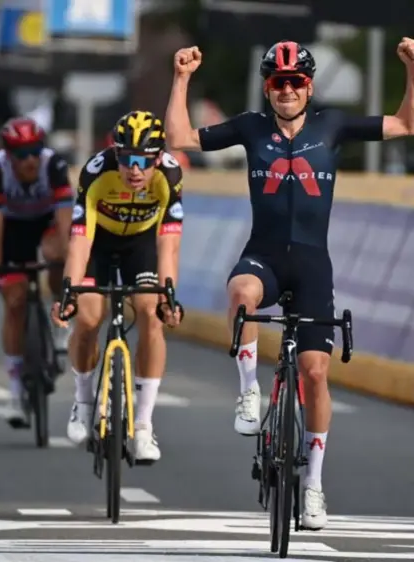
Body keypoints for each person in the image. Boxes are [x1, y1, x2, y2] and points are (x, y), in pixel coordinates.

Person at [165, 38, 414, 529]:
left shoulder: (333, 123)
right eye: (278, 83)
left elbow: (407, 124)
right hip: (264, 255)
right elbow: (179, 138)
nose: (286, 90)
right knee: (241, 292)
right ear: (267, 87)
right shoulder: (250, 126)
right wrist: (180, 78)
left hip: (313, 264)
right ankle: (248, 392)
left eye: (295, 82)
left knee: (316, 373)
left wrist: (411, 67)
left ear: (309, 86)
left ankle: (315, 485)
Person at [50, 110, 184, 463]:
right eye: (127, 159)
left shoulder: (170, 175)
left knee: (152, 316)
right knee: (89, 318)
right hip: (99, 245)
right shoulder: (96, 173)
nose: (135, 169)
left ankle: (142, 426)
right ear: (115, 154)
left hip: (140, 247)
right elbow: (79, 242)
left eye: (144, 160)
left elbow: (169, 247)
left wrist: (169, 295)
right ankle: (82, 402)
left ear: (158, 158)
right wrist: (69, 291)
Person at [0, 117, 74, 428]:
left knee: (58, 256)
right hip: (13, 230)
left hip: (46, 224)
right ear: (9, 156)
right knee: (15, 300)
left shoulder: (54, 166)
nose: (31, 159)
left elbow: (65, 225)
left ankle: (61, 325)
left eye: (35, 151)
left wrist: (69, 267)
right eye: (22, 154)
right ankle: (15, 392)